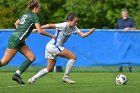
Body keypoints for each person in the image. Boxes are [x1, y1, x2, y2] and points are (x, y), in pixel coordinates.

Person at [28, 13, 95, 84]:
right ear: (69, 20)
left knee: (49, 69)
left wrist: (90, 32)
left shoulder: (74, 27)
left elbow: (83, 35)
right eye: (75, 21)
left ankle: (32, 79)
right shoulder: (64, 25)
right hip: (53, 46)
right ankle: (66, 77)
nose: (76, 23)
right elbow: (50, 25)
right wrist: (37, 29)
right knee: (73, 57)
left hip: (52, 47)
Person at [0, 0, 54, 84]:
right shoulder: (34, 16)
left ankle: (16, 75)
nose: (40, 10)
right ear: (35, 8)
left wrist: (20, 33)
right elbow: (40, 31)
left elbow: (16, 23)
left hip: (18, 39)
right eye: (39, 8)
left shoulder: (25, 14)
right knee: (4, 62)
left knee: (32, 57)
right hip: (16, 40)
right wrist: (51, 36)